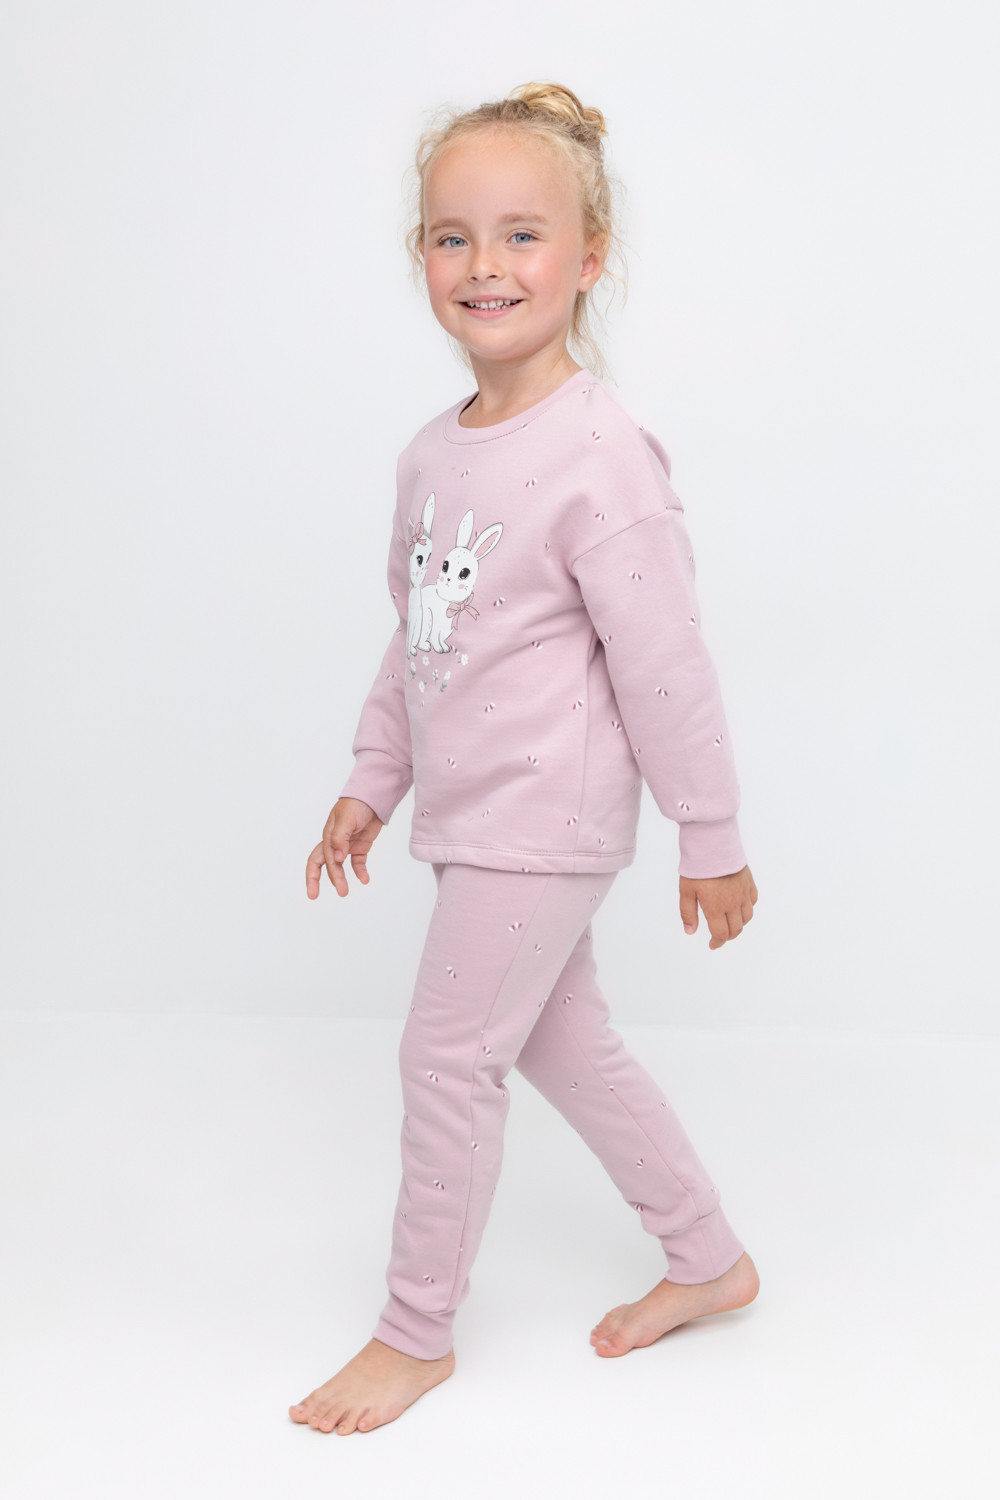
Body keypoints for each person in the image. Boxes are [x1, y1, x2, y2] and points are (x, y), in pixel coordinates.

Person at [290, 80, 760, 1439]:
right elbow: (419, 634)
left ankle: (413, 1333)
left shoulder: (602, 454)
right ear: (421, 258)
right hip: (470, 812)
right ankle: (707, 1257)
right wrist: (371, 779)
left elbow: (665, 663)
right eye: (454, 237)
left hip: (545, 816)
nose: (485, 265)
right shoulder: (431, 457)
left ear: (589, 257)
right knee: (566, 1042)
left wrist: (711, 833)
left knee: (445, 1060)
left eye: (522, 235)